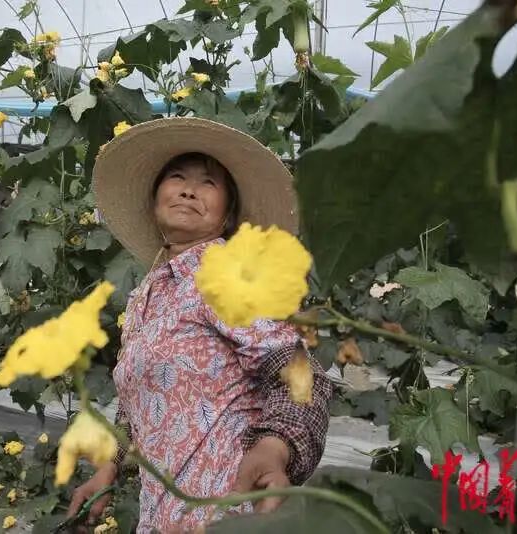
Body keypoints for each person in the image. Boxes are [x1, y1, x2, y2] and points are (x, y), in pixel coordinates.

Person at [68, 117, 333, 533]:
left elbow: (299, 370)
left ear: (228, 216)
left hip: (231, 506)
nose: (189, 189)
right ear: (155, 200)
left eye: (208, 183)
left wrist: (273, 447)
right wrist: (109, 467)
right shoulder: (150, 295)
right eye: (177, 177)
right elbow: (141, 404)